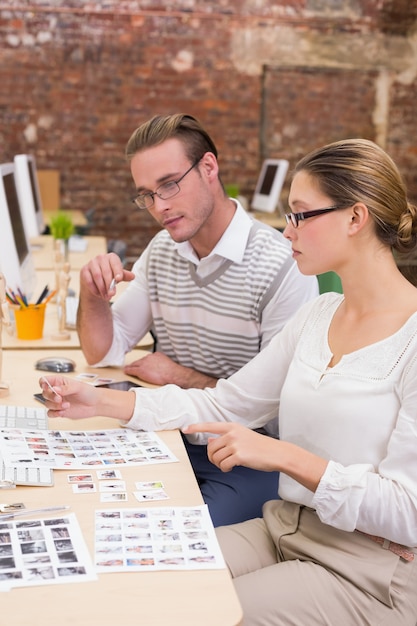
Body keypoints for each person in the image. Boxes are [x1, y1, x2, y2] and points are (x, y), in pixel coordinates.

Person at [41, 138, 417, 624]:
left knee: (195, 611)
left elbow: (408, 510)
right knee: (138, 576)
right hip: (288, 527)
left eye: (301, 215)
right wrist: (101, 402)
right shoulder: (319, 314)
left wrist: (282, 455)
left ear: (355, 218)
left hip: (369, 569)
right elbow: (226, 404)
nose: (287, 231)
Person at [76, 113, 318, 526]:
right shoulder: (162, 250)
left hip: (244, 453)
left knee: (175, 535)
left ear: (209, 168)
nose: (160, 206)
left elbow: (280, 413)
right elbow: (105, 352)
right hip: (171, 432)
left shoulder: (281, 266)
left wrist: (182, 376)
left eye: (169, 184)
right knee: (93, 507)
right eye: (147, 195)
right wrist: (92, 294)